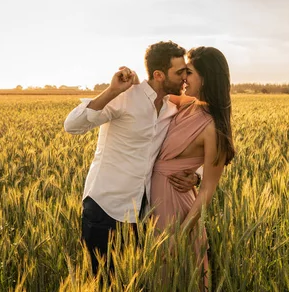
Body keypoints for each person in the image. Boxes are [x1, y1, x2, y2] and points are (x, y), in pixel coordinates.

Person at [63, 41, 200, 274]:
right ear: (158, 74)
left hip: (141, 214)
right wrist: (112, 90)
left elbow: (191, 148)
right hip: (105, 207)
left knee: (131, 282)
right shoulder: (125, 97)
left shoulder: (172, 109)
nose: (184, 78)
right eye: (179, 72)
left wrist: (196, 177)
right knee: (100, 282)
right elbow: (72, 125)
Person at [150, 46, 235, 287]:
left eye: (189, 72)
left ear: (206, 77)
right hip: (155, 203)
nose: (183, 78)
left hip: (177, 211)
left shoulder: (213, 129)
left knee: (174, 277)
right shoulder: (188, 105)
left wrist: (182, 233)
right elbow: (158, 94)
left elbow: (208, 188)